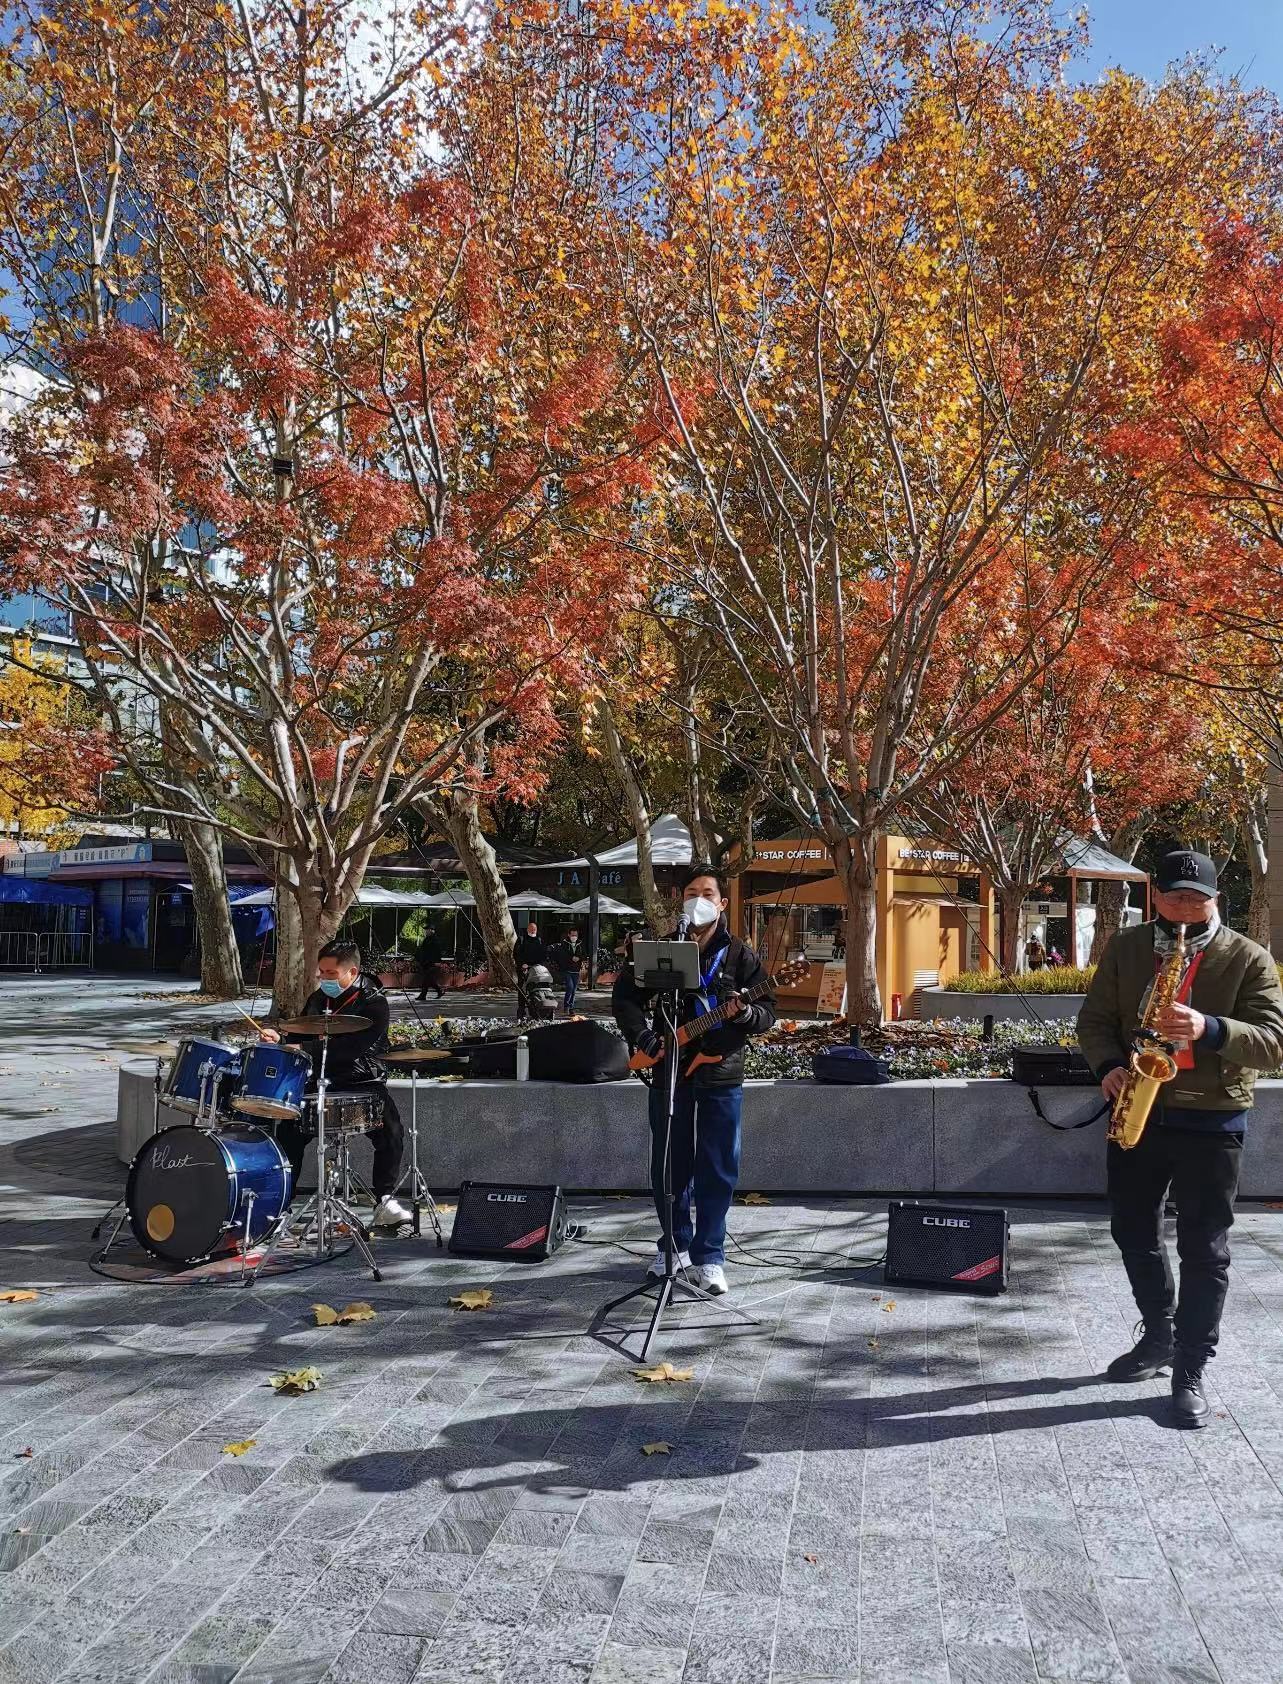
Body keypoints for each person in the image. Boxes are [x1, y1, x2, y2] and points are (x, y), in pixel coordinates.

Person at [1078, 847, 1283, 1427]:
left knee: (1204, 1248)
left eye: (1197, 899)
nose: (1186, 908)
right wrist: (1107, 1066)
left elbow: (1274, 1043)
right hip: (1138, 1110)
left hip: (1212, 1118)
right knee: (1132, 1229)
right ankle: (1159, 1336)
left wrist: (1209, 1027)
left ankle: (1190, 1367)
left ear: (1215, 899)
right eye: (1174, 898)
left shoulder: (1248, 957)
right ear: (1155, 897)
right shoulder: (1128, 947)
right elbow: (1095, 1021)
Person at [613, 864, 776, 1297]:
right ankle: (674, 1246)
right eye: (691, 893)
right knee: (669, 1164)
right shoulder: (661, 949)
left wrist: (745, 1013)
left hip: (721, 1072)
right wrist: (643, 1037)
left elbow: (768, 1013)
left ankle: (710, 1256)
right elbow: (626, 998)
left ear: (722, 903)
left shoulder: (741, 956)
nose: (698, 900)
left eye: (707, 893)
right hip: (669, 1069)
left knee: (718, 1166)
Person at [261, 941, 410, 1228]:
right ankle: (282, 1203)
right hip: (321, 1077)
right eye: (322, 972)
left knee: (392, 1133)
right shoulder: (318, 999)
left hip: (361, 1078)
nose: (324, 978)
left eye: (331, 973)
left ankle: (385, 1199)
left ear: (351, 972)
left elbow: (352, 1048)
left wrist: (303, 1048)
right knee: (288, 1133)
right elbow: (301, 1033)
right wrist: (280, 1039)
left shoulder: (374, 1002)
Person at [514, 920, 546, 1018]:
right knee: (522, 989)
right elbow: (516, 954)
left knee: (536, 988)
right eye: (531, 929)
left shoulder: (539, 940)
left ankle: (535, 1008)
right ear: (527, 929)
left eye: (534, 929)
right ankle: (521, 1009)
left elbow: (543, 953)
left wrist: (541, 964)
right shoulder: (521, 939)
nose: (533, 931)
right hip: (524, 968)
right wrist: (522, 964)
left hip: (536, 968)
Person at [550, 927, 584, 1012]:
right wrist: (571, 958)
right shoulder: (564, 944)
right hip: (567, 970)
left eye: (575, 935)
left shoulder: (580, 944)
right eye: (572, 935)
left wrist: (579, 958)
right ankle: (567, 1005)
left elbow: (583, 954)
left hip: (576, 970)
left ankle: (571, 1007)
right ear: (569, 935)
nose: (574, 937)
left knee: (574, 989)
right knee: (570, 987)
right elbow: (562, 956)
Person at [416, 926, 445, 1001]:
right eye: (426, 930)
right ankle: (439, 991)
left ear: (432, 930)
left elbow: (438, 952)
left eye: (427, 930)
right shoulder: (427, 939)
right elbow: (423, 950)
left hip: (432, 963)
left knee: (426, 979)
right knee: (430, 980)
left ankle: (423, 995)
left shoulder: (435, 940)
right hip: (426, 962)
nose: (426, 931)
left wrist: (437, 962)